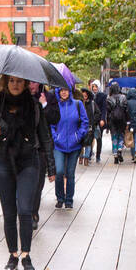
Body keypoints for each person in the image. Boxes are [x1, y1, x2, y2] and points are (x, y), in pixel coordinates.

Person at [0, 74, 50, 270]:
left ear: (25, 83)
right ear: (7, 82)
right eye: (12, 81)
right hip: (4, 162)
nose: (15, 84)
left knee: (25, 209)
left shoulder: (34, 106)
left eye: (19, 81)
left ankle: (26, 255)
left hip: (28, 161)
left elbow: (44, 138)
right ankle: (13, 255)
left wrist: (52, 168)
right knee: (9, 212)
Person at [51, 81, 90, 209]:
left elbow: (85, 122)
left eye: (66, 89)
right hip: (59, 145)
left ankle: (69, 199)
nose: (64, 92)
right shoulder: (55, 105)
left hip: (74, 145)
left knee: (70, 173)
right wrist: (55, 136)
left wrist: (78, 136)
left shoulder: (78, 104)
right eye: (61, 90)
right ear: (58, 91)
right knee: (60, 170)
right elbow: (50, 123)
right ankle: (60, 197)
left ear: (70, 91)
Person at [26, 81, 59, 229]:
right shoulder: (19, 100)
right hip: (22, 150)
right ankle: (25, 212)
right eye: (29, 82)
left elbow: (55, 118)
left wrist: (44, 106)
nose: (31, 86)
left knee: (37, 186)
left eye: (34, 83)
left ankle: (33, 213)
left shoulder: (49, 97)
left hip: (39, 149)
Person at [89, 80, 106, 164]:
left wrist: (103, 119)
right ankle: (89, 154)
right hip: (91, 119)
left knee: (99, 138)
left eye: (96, 87)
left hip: (99, 120)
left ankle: (98, 156)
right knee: (90, 137)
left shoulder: (102, 96)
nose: (94, 88)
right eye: (93, 87)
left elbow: (104, 109)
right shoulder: (90, 95)